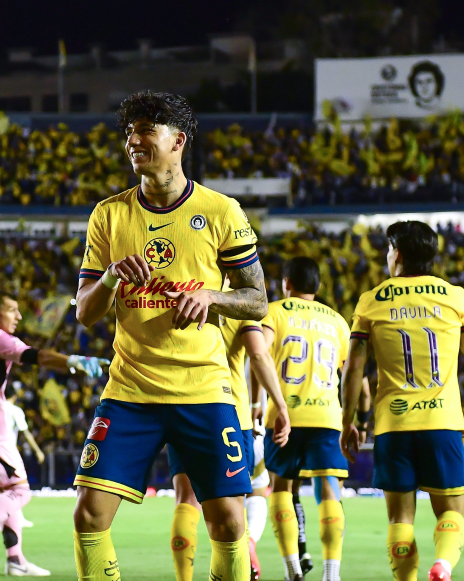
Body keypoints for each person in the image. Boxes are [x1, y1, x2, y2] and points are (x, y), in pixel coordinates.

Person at [73, 91, 268, 581]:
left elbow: (257, 300)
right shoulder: (108, 214)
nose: (133, 141)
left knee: (229, 521)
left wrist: (211, 297)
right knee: (89, 515)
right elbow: (85, 313)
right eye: (129, 132)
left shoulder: (220, 210)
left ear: (178, 140)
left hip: (203, 389)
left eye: (146, 131)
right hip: (131, 389)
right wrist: (111, 277)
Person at [339, 221, 464, 581]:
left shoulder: (371, 300)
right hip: (442, 422)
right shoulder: (455, 297)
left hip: (394, 426)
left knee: (400, 520)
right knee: (451, 513)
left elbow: (354, 368)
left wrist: (348, 422)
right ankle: (443, 566)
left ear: (398, 254)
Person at [0, 290, 108, 576]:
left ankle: (16, 560)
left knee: (7, 491)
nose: (19, 317)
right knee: (20, 491)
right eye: (12, 310)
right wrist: (72, 361)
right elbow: (37, 356)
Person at [167, 305, 289, 581]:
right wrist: (279, 405)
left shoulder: (182, 294)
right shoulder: (240, 304)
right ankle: (246, 547)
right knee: (240, 505)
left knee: (186, 499)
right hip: (231, 414)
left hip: (181, 407)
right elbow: (258, 354)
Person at [260, 257, 354, 581]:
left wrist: (260, 401)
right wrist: (355, 415)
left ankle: (293, 569)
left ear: (286, 283)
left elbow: (259, 353)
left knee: (281, 488)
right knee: (329, 490)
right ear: (318, 285)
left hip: (284, 414)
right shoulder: (337, 321)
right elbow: (351, 373)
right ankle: (331, 574)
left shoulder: (274, 312)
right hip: (327, 415)